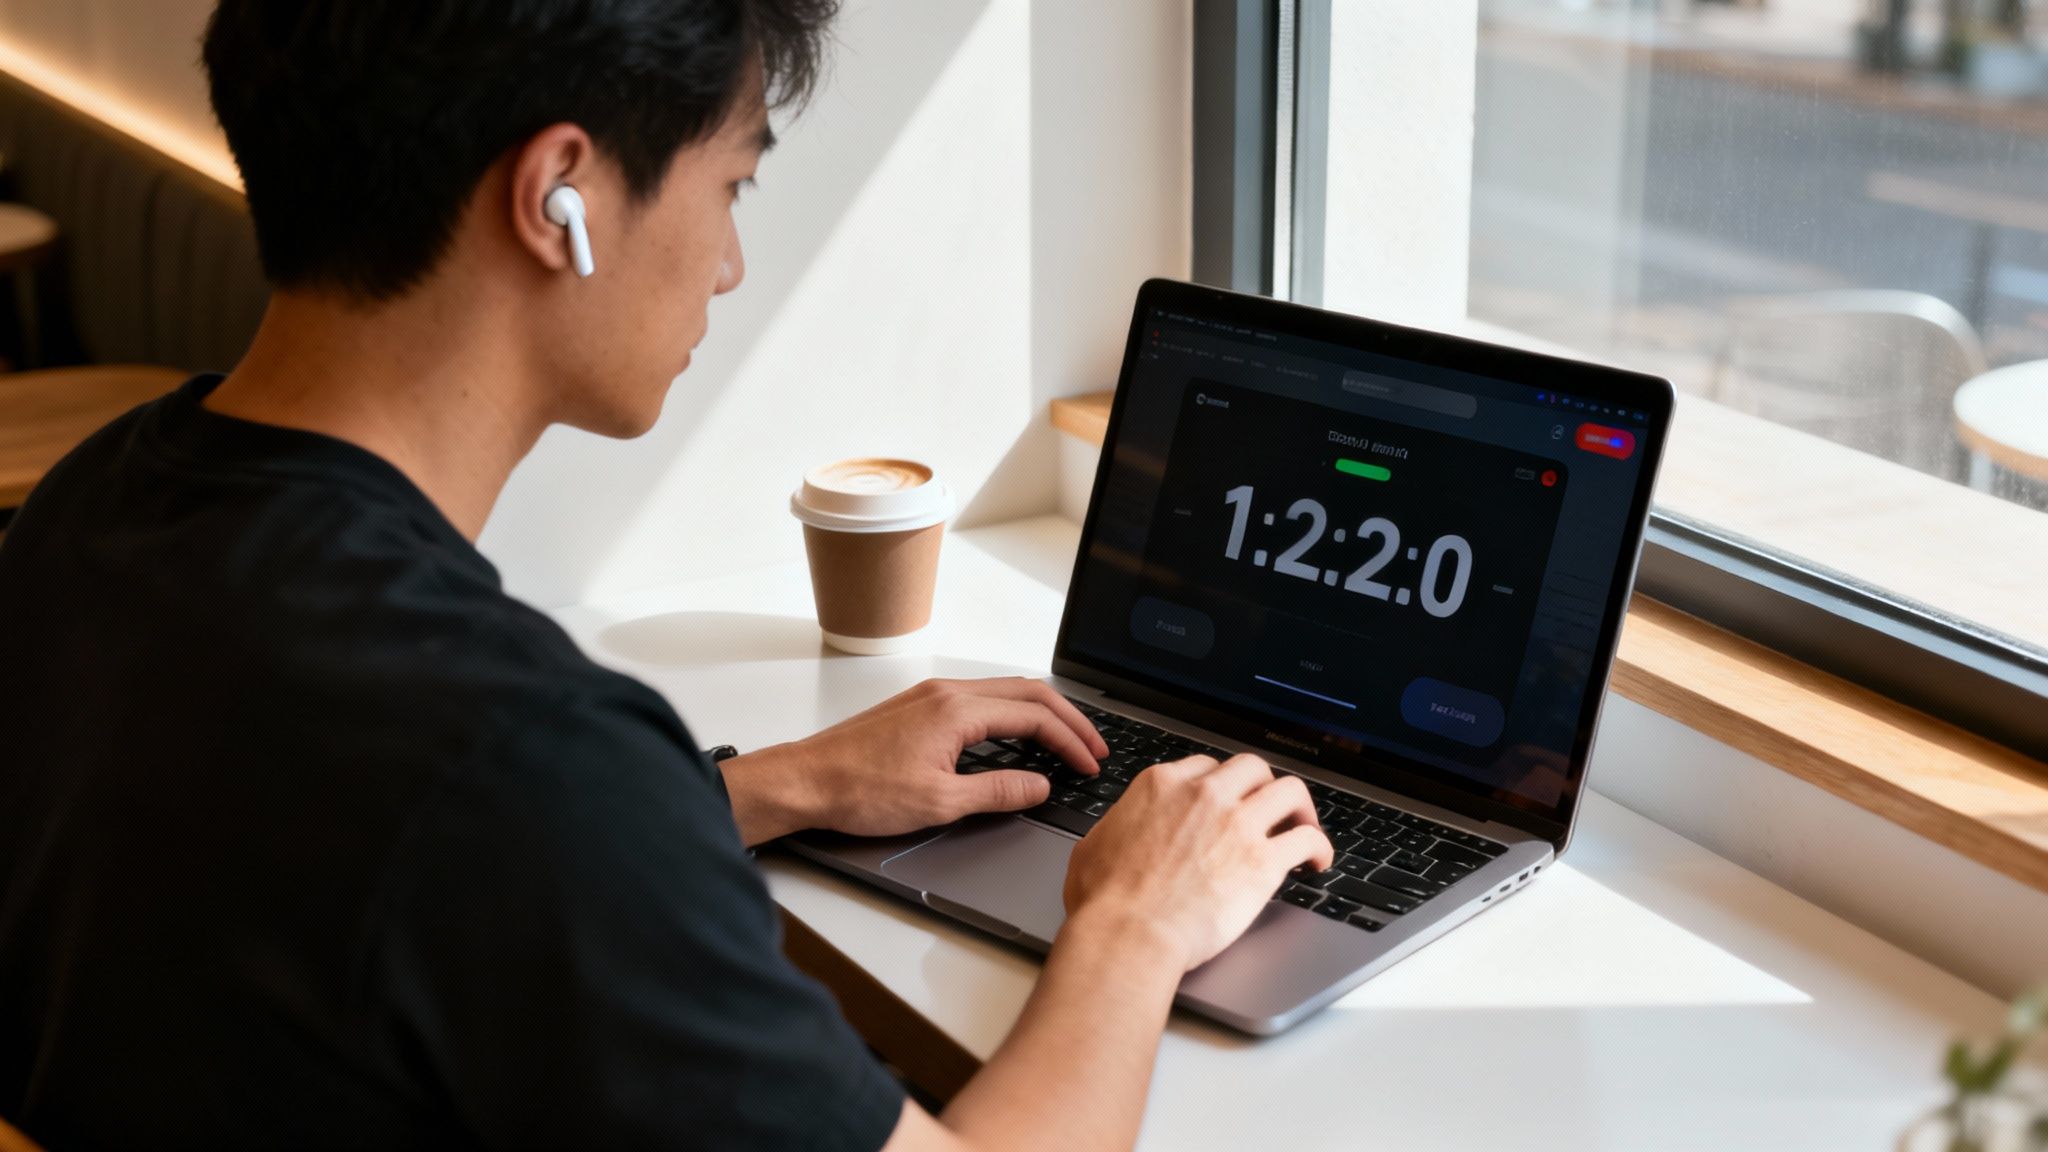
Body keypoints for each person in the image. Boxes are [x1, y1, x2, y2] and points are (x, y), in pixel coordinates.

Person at [0, 2, 1332, 1148]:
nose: (731, 262)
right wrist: (1136, 922)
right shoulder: (527, 758)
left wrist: (776, 786)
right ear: (557, 196)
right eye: (734, 185)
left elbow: (334, 845)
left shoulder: (90, 509)